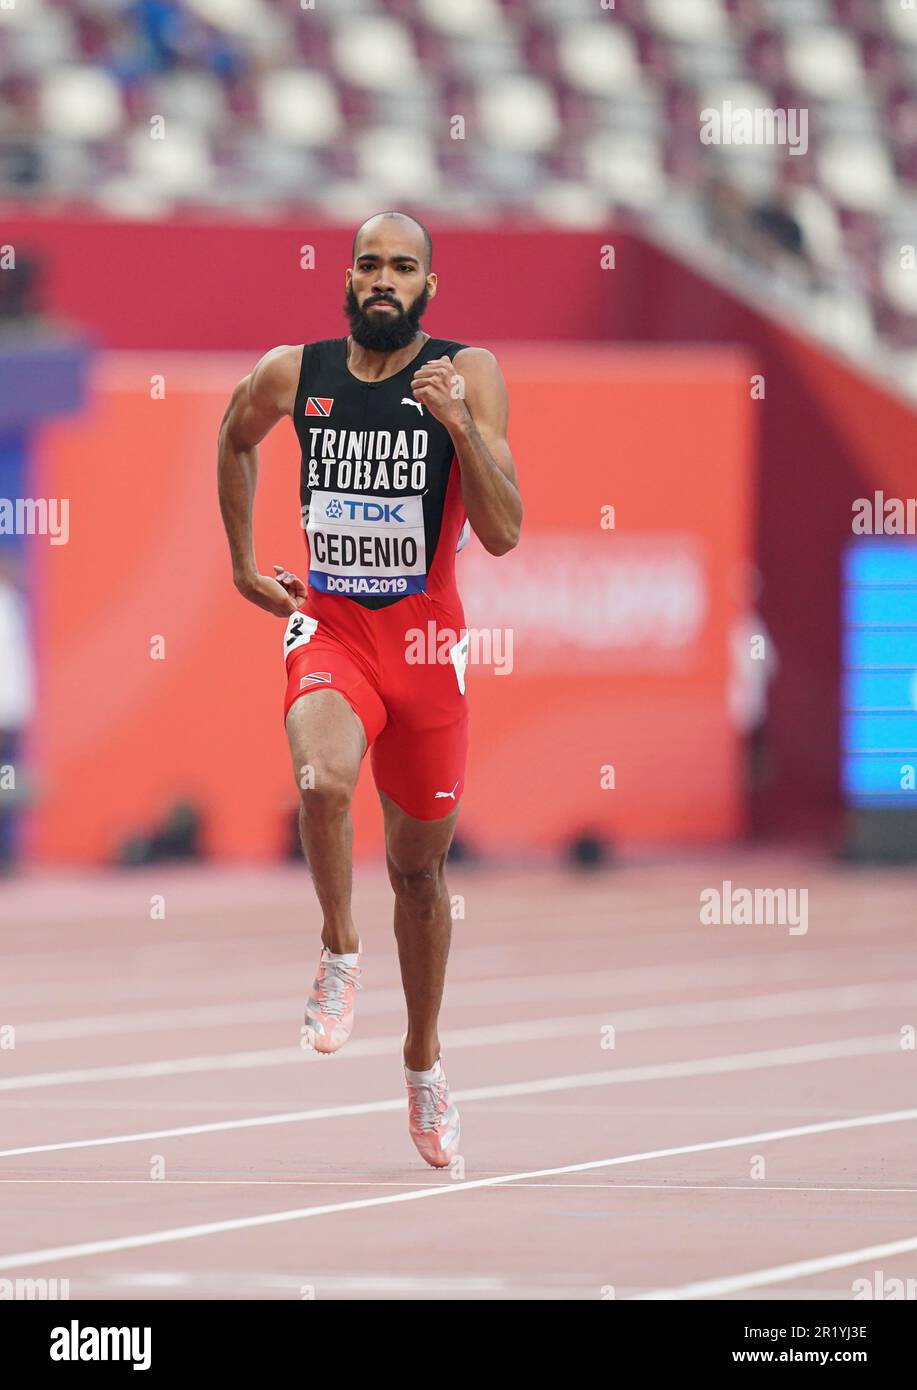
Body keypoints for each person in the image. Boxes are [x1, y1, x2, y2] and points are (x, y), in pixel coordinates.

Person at [217, 211, 522, 1167]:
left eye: (403, 268)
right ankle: (339, 951)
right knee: (319, 782)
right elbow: (234, 440)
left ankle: (424, 1066)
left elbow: (507, 529)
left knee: (420, 874)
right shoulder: (293, 373)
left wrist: (459, 425)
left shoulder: (467, 373)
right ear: (347, 280)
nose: (383, 280)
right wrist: (239, 566)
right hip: (336, 627)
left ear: (429, 286)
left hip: (427, 645)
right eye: (369, 266)